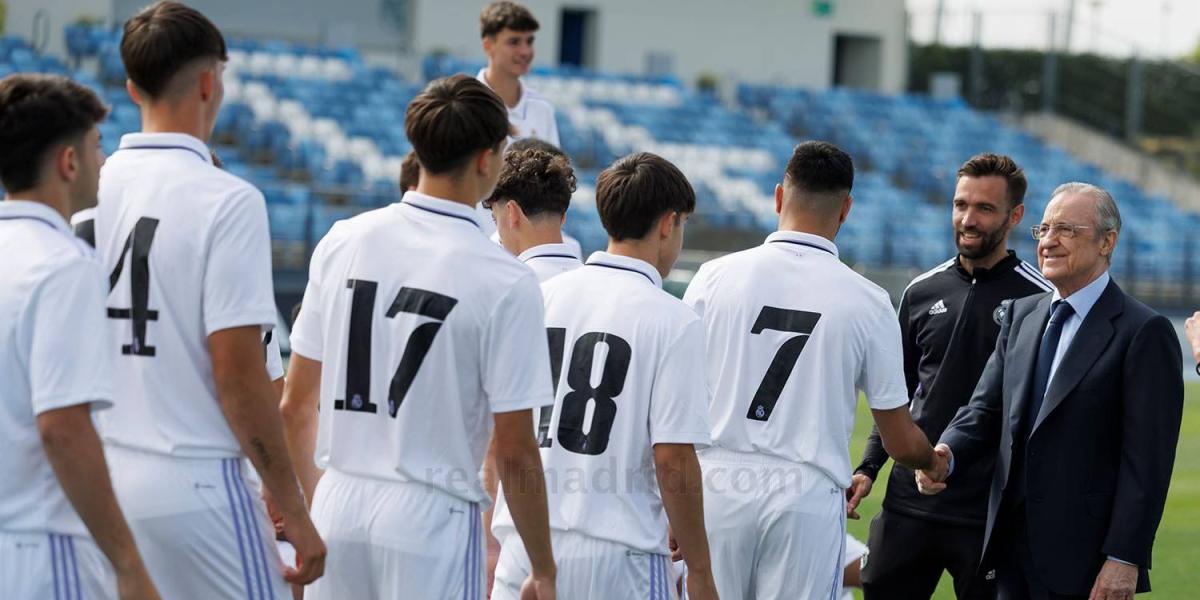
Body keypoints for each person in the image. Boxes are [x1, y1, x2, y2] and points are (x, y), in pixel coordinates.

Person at [280, 74, 557, 600]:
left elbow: (295, 405)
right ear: (486, 160)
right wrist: (543, 566)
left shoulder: (344, 239)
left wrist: (316, 505)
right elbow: (517, 451)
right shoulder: (504, 277)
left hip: (338, 497)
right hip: (430, 513)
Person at [93, 3, 326, 598]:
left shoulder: (90, 183)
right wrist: (292, 507)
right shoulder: (228, 199)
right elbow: (241, 377)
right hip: (196, 481)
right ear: (208, 81)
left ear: (130, 86)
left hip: (103, 474)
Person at [682, 141, 943, 599]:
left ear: (779, 196)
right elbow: (899, 438)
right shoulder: (868, 300)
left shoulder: (712, 277)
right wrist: (932, 461)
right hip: (804, 493)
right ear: (846, 210)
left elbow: (674, 402)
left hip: (716, 484)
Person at [918, 183, 1184, 599]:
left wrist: (1125, 558)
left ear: (1107, 242)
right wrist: (946, 453)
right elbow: (983, 409)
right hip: (1007, 553)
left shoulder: (1143, 332)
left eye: (1066, 230)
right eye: (1043, 230)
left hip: (1086, 562)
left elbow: (1147, 463)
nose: (1049, 242)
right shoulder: (1023, 315)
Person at [490, 152, 718, 600]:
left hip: (526, 545)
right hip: (620, 554)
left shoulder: (535, 295)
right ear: (668, 224)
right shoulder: (675, 320)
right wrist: (702, 571)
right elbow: (672, 459)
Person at [855, 153, 1051, 599]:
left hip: (989, 511)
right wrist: (869, 467)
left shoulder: (1041, 300)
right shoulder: (922, 291)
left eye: (984, 208)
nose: (968, 218)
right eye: (961, 205)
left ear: (1014, 216)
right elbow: (895, 395)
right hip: (910, 500)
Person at [0, 73, 161, 600]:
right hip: (43, 547)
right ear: (68, 162)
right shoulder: (65, 264)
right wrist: (127, 561)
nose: (103, 161)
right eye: (97, 147)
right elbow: (63, 428)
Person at [475, 0, 560, 236]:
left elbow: (555, 182)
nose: (525, 51)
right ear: (488, 45)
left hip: (526, 247)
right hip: (476, 238)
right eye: (514, 42)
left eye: (529, 41)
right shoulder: (465, 104)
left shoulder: (541, 110)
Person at [485, 144, 582, 280]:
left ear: (512, 213)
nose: (499, 235)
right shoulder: (598, 281)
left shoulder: (508, 283)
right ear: (563, 218)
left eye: (496, 220)